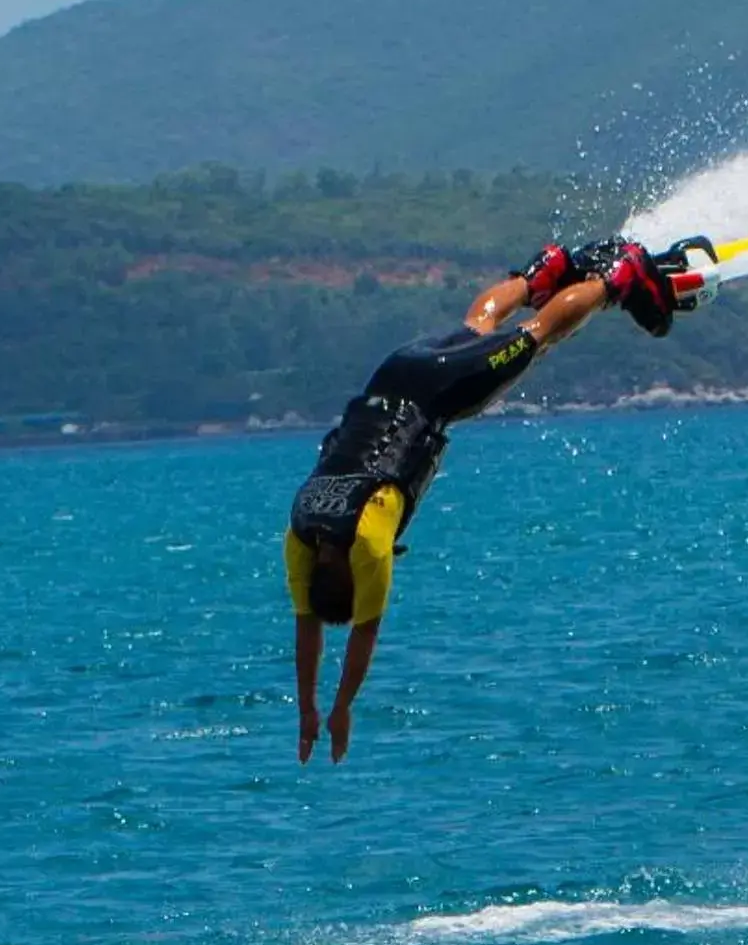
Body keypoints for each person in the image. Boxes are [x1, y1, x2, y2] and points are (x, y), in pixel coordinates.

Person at [284, 238, 688, 762]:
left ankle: (617, 276)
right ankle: (541, 274)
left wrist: (339, 708)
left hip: (440, 394)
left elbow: (360, 636)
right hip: (393, 373)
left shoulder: (369, 549)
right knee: (476, 327)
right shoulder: (301, 536)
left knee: (537, 335)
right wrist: (309, 710)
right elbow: (306, 626)